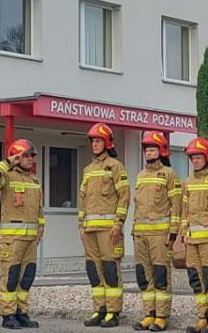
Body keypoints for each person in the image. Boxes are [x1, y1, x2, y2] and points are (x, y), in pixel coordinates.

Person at [0, 139, 45, 329]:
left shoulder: (34, 180)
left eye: (32, 156)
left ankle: (22, 313)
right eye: (26, 155)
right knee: (10, 278)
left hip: (30, 240)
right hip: (12, 240)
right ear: (17, 156)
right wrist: (9, 161)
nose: (31, 159)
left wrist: (41, 229)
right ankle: (8, 314)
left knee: (27, 277)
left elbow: (39, 209)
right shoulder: (7, 177)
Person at [130, 132, 183, 331]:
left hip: (160, 235)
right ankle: (148, 314)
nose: (148, 152)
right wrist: (134, 230)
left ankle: (161, 316)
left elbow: (176, 206)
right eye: (146, 149)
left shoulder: (169, 174)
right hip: (141, 235)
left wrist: (173, 233)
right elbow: (137, 206)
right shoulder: (140, 175)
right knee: (144, 276)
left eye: (152, 148)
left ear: (161, 151)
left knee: (161, 275)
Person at [81, 123, 131, 327]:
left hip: (109, 229)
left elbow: (124, 196)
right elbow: (82, 199)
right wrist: (81, 226)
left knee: (110, 270)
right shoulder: (87, 169)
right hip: (90, 229)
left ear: (107, 143)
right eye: (93, 141)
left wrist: (118, 224)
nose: (95, 144)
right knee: (94, 270)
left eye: (98, 141)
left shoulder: (115, 166)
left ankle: (113, 311)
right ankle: (99, 309)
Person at [177, 137, 208, 333]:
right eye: (193, 158)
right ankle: (202, 316)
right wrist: (183, 234)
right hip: (192, 241)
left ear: (207, 157)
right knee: (195, 279)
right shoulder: (187, 182)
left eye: (198, 157)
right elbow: (184, 211)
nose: (195, 161)